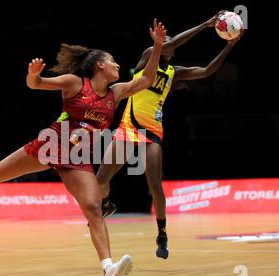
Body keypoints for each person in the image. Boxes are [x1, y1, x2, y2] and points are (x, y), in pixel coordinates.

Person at [0, 20, 166, 276]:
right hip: (51, 145)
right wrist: (33, 74)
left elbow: (148, 79)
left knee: (93, 209)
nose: (117, 64)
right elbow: (37, 84)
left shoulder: (116, 92)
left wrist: (158, 46)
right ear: (99, 65)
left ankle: (108, 269)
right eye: (112, 60)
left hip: (77, 160)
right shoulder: (74, 83)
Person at [96, 11, 244, 260]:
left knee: (154, 184)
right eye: (164, 43)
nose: (167, 45)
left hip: (152, 131)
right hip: (129, 127)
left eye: (169, 44)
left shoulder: (174, 72)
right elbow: (170, 43)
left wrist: (229, 47)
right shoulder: (147, 58)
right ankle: (107, 203)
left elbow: (207, 71)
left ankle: (162, 234)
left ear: (172, 52)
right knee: (101, 179)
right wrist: (205, 24)